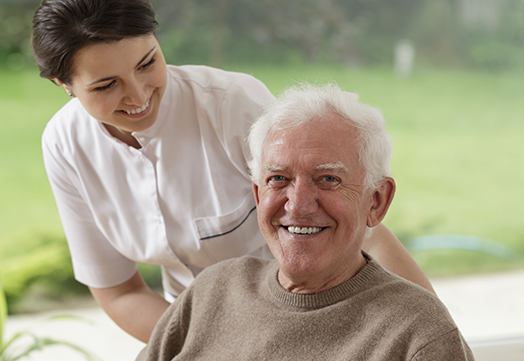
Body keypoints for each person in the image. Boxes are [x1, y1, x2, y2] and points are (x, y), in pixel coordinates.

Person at [31, 0, 434, 343]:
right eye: (106, 85)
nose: (138, 95)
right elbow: (119, 290)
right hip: (196, 329)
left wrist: (431, 329)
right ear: (62, 84)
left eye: (147, 63)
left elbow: (360, 228)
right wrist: (211, 344)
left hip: (318, 312)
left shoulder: (231, 105)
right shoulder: (65, 145)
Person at [136, 83, 475, 361]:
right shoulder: (212, 291)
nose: (297, 205)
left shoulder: (417, 334)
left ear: (376, 201)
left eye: (328, 179)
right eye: (278, 178)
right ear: (258, 195)